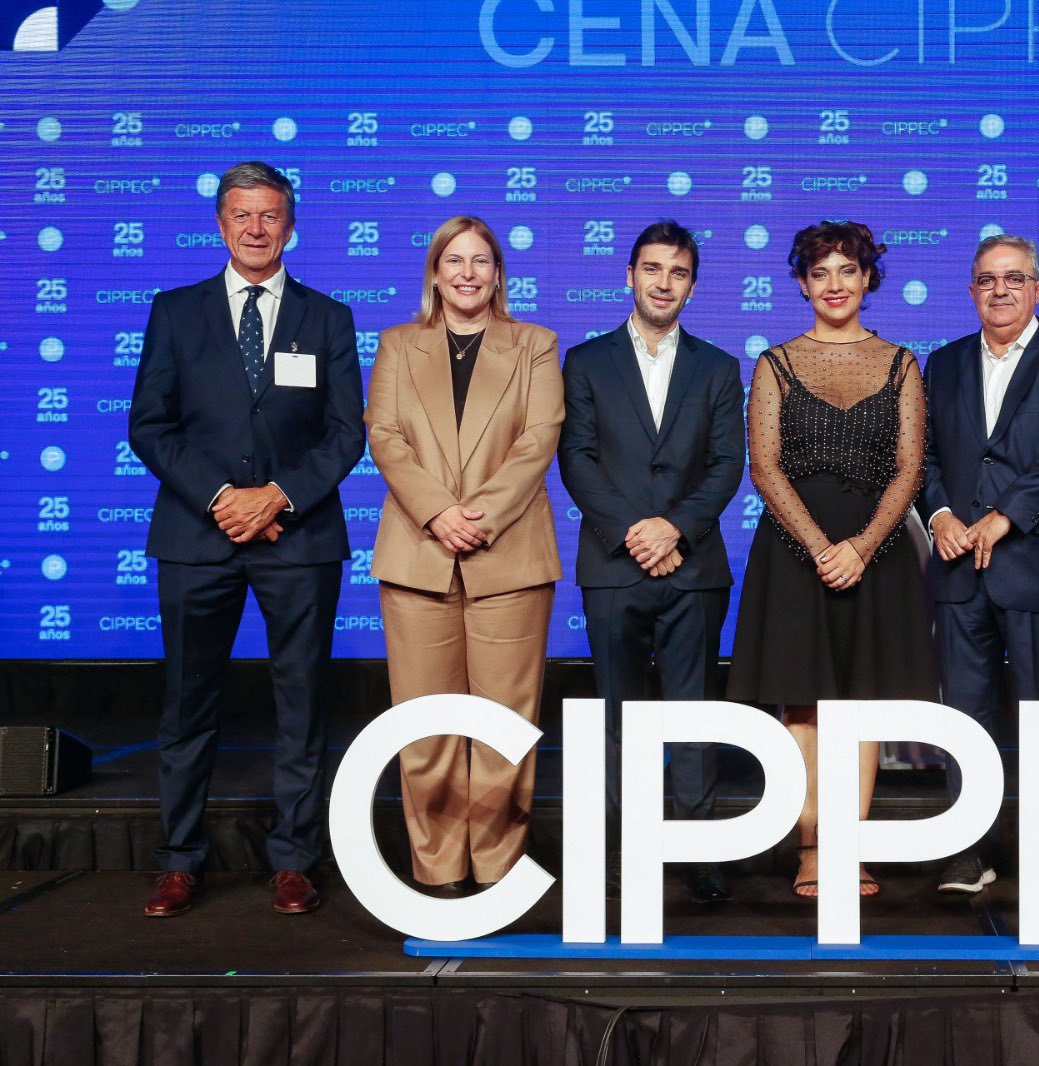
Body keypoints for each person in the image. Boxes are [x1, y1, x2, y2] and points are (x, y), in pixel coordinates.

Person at [129, 161, 364, 917]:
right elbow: (149, 426)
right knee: (187, 702)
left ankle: (294, 859)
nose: (256, 229)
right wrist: (222, 498)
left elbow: (345, 435)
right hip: (197, 537)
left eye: (270, 215)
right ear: (220, 224)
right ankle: (179, 860)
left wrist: (276, 497)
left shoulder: (328, 318)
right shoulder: (175, 311)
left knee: (302, 704)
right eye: (242, 215)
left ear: (290, 225)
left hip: (299, 538)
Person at [728, 220, 939, 898]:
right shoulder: (775, 364)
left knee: (864, 708)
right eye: (820, 273)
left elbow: (910, 469)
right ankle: (812, 851)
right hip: (796, 554)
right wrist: (822, 547)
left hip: (876, 553)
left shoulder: (903, 364)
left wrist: (863, 546)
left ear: (868, 278)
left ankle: (852, 848)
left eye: (848, 270)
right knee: (804, 705)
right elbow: (764, 468)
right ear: (802, 284)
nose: (835, 285)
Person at [365, 216, 564, 896]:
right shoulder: (398, 344)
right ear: (434, 272)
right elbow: (385, 436)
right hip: (418, 554)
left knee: (505, 728)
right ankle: (439, 872)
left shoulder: (535, 344)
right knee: (426, 730)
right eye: (454, 260)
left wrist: (475, 519)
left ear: (498, 273)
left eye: (480, 261)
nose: (467, 273)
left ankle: (498, 873)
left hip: (508, 557)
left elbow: (539, 439)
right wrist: (438, 514)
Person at [558, 221, 746, 905]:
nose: (664, 282)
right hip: (614, 564)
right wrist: (633, 533)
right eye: (652, 268)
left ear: (692, 286)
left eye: (678, 272)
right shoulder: (585, 361)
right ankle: (623, 848)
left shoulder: (718, 367)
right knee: (619, 716)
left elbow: (728, 464)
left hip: (694, 568)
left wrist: (674, 530)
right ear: (629, 276)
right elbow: (576, 457)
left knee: (693, 715)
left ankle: (696, 851)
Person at [921, 234, 1039, 897]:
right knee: (964, 720)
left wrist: (1006, 516)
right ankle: (968, 853)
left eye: (1014, 278)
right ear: (971, 290)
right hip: (957, 570)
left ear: (1038, 289)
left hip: (1037, 565)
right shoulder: (942, 363)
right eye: (987, 279)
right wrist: (940, 515)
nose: (1000, 290)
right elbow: (923, 455)